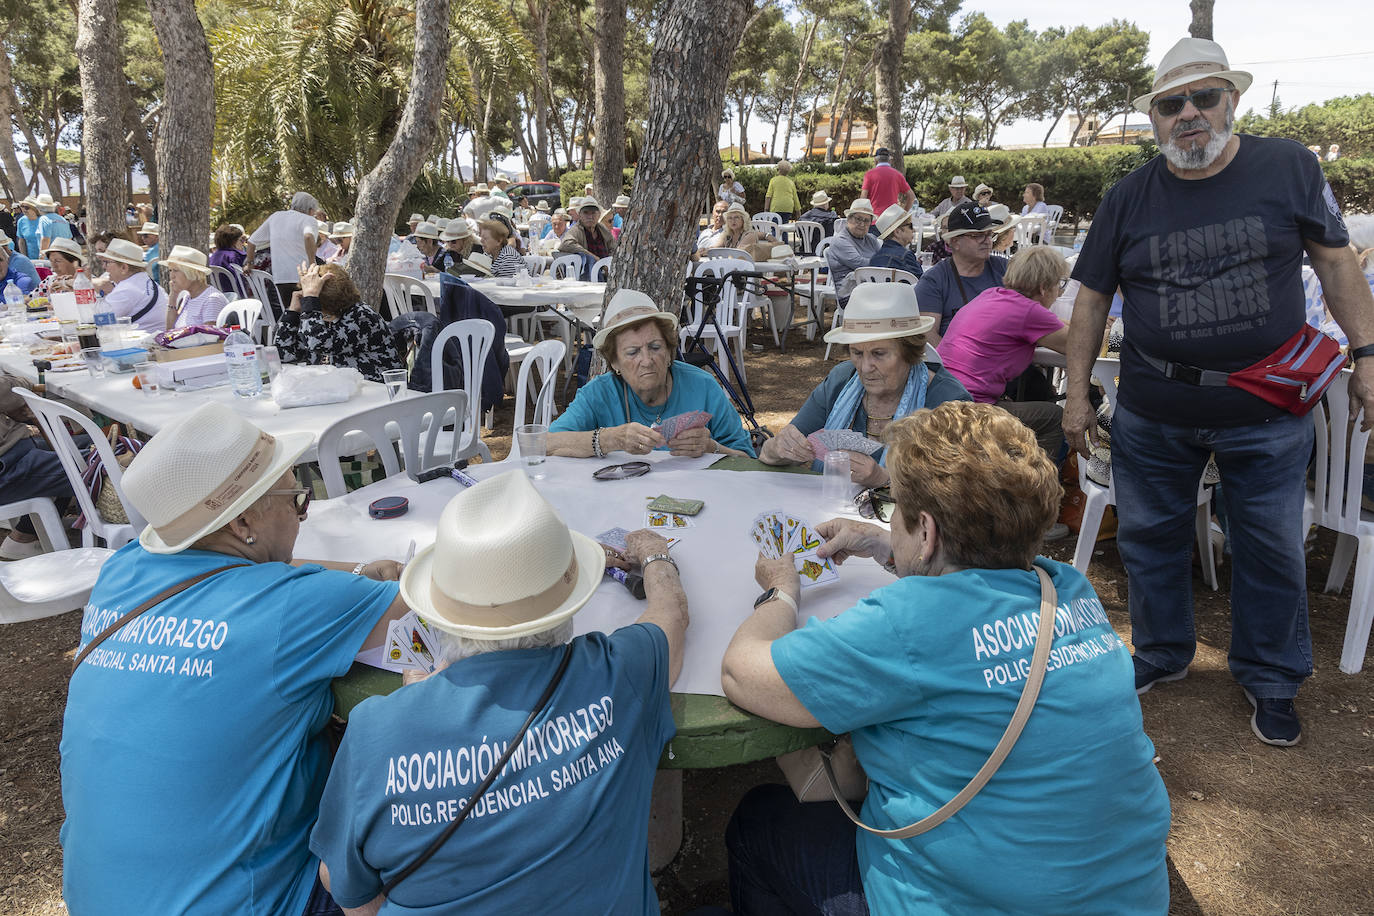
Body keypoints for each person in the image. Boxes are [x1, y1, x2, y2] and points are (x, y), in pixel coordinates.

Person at [722, 400, 1171, 915]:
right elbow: (978, 594)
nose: (891, 520)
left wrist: (780, 591)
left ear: (928, 532)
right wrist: (888, 545)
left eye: (894, 509)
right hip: (1128, 895)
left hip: (965, 903)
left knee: (757, 819)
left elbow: (742, 672)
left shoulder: (909, 621)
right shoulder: (1067, 586)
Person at [1062, 37, 1374, 746]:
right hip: (1154, 408)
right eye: (1171, 104)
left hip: (1265, 409)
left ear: (1231, 100)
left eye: (1204, 97)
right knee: (1148, 539)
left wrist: (1368, 353)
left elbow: (1336, 264)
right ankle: (1162, 651)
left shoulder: (1288, 167)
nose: (1189, 114)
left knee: (1269, 546)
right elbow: (1091, 302)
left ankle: (1272, 679)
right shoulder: (1128, 196)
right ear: (1154, 117)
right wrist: (1077, 394)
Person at [59, 402, 407, 916]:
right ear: (244, 520)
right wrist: (356, 581)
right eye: (298, 500)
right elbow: (456, 609)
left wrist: (353, 571)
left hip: (99, 896)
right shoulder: (293, 608)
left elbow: (242, 570)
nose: (302, 513)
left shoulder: (124, 570)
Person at [309, 470, 687, 913]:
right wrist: (656, 555)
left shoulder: (376, 730)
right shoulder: (618, 673)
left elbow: (343, 886)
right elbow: (671, 615)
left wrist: (415, 706)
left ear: (440, 613)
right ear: (570, 603)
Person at [759, 281, 969, 486]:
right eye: (857, 353)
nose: (866, 367)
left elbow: (960, 490)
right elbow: (774, 451)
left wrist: (884, 480)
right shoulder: (842, 380)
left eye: (879, 353)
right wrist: (777, 449)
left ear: (909, 352)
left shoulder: (948, 401)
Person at [549, 289, 755, 458]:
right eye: (632, 352)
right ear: (614, 361)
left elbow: (747, 458)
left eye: (655, 347)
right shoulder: (599, 394)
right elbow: (544, 443)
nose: (647, 361)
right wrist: (609, 439)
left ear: (668, 350)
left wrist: (712, 448)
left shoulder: (703, 387)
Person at [939, 246, 1070, 456]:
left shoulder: (991, 295)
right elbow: (1079, 344)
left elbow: (1050, 324)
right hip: (972, 410)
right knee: (1055, 416)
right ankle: (1035, 475)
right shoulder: (1029, 312)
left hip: (942, 399)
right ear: (1044, 288)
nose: (1060, 292)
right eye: (1060, 284)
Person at [275, 263, 399, 382]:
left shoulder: (361, 316)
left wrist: (310, 299)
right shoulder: (316, 319)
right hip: (339, 388)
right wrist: (292, 313)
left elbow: (317, 343)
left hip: (377, 389)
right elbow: (284, 354)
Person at [0, 376, 80, 559]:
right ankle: (103, 534)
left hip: (16, 451)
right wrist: (24, 385)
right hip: (9, 467)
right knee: (103, 459)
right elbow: (8, 390)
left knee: (90, 444)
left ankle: (26, 535)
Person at [915, 201, 1009, 345]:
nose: (987, 241)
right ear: (955, 242)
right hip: (956, 357)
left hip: (1006, 353)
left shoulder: (1005, 268)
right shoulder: (935, 280)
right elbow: (927, 335)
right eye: (978, 235)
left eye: (989, 234)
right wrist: (955, 358)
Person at [245, 191, 322, 309]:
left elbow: (252, 241)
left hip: (279, 278)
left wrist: (250, 263)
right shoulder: (308, 220)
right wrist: (312, 263)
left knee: (288, 311)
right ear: (310, 210)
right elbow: (308, 236)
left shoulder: (276, 216)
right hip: (302, 277)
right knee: (307, 312)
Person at [92, 238, 167, 333]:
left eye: (107, 262)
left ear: (124, 268)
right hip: (154, 336)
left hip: (146, 340)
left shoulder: (127, 288)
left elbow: (97, 319)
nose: (104, 267)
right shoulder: (141, 279)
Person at [824, 199, 881, 309]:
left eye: (866, 221)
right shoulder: (840, 240)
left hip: (873, 289)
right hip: (850, 295)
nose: (862, 224)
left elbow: (884, 258)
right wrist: (884, 262)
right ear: (849, 219)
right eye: (858, 219)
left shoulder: (871, 239)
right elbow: (860, 264)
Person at [161, 246, 229, 330]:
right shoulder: (188, 296)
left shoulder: (212, 299)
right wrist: (173, 296)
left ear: (192, 272)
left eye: (176, 270)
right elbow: (170, 330)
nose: (171, 276)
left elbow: (211, 335)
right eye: (170, 270)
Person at [557, 198, 617, 268]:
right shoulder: (576, 229)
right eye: (586, 213)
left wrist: (608, 264)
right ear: (580, 215)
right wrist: (592, 257)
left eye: (593, 213)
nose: (590, 217)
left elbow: (613, 247)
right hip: (585, 271)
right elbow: (565, 244)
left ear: (599, 215)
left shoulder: (602, 229)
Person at [868, 204, 923, 278]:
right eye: (910, 226)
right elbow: (922, 281)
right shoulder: (906, 256)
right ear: (897, 232)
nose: (914, 230)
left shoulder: (874, 259)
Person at [860, 147, 914, 215]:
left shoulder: (869, 175)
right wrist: (903, 214)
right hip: (892, 218)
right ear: (889, 160)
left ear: (875, 160)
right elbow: (911, 197)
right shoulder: (898, 175)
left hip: (874, 217)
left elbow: (863, 198)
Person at [208, 223, 248, 290]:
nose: (243, 243)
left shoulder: (213, 256)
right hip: (237, 292)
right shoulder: (235, 256)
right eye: (241, 240)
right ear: (233, 241)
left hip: (220, 292)